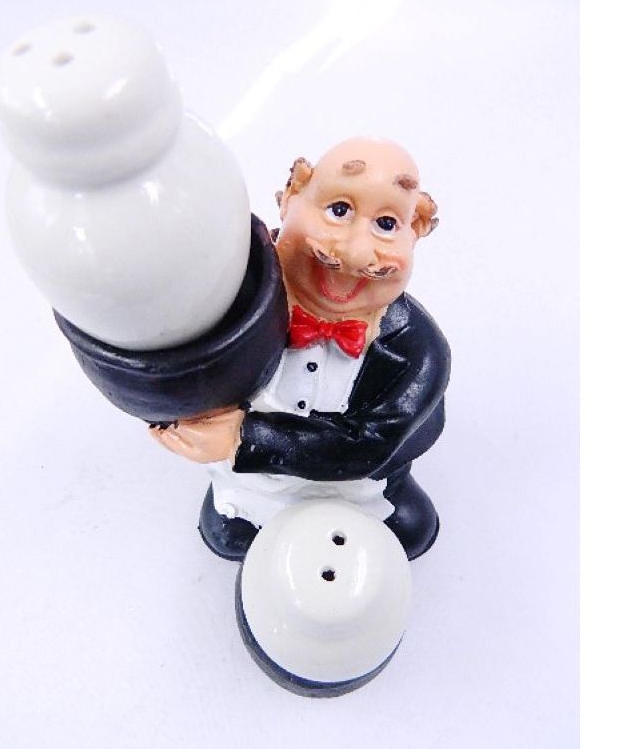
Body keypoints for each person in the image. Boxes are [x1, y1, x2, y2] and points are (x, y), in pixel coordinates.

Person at [150, 137, 451, 561]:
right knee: (232, 533)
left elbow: (372, 442)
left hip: (357, 485)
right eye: (339, 210)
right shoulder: (232, 294)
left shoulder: (417, 350)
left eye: (386, 223)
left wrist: (242, 438)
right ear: (291, 196)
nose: (356, 253)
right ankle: (248, 512)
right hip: (252, 485)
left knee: (407, 529)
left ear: (415, 230)